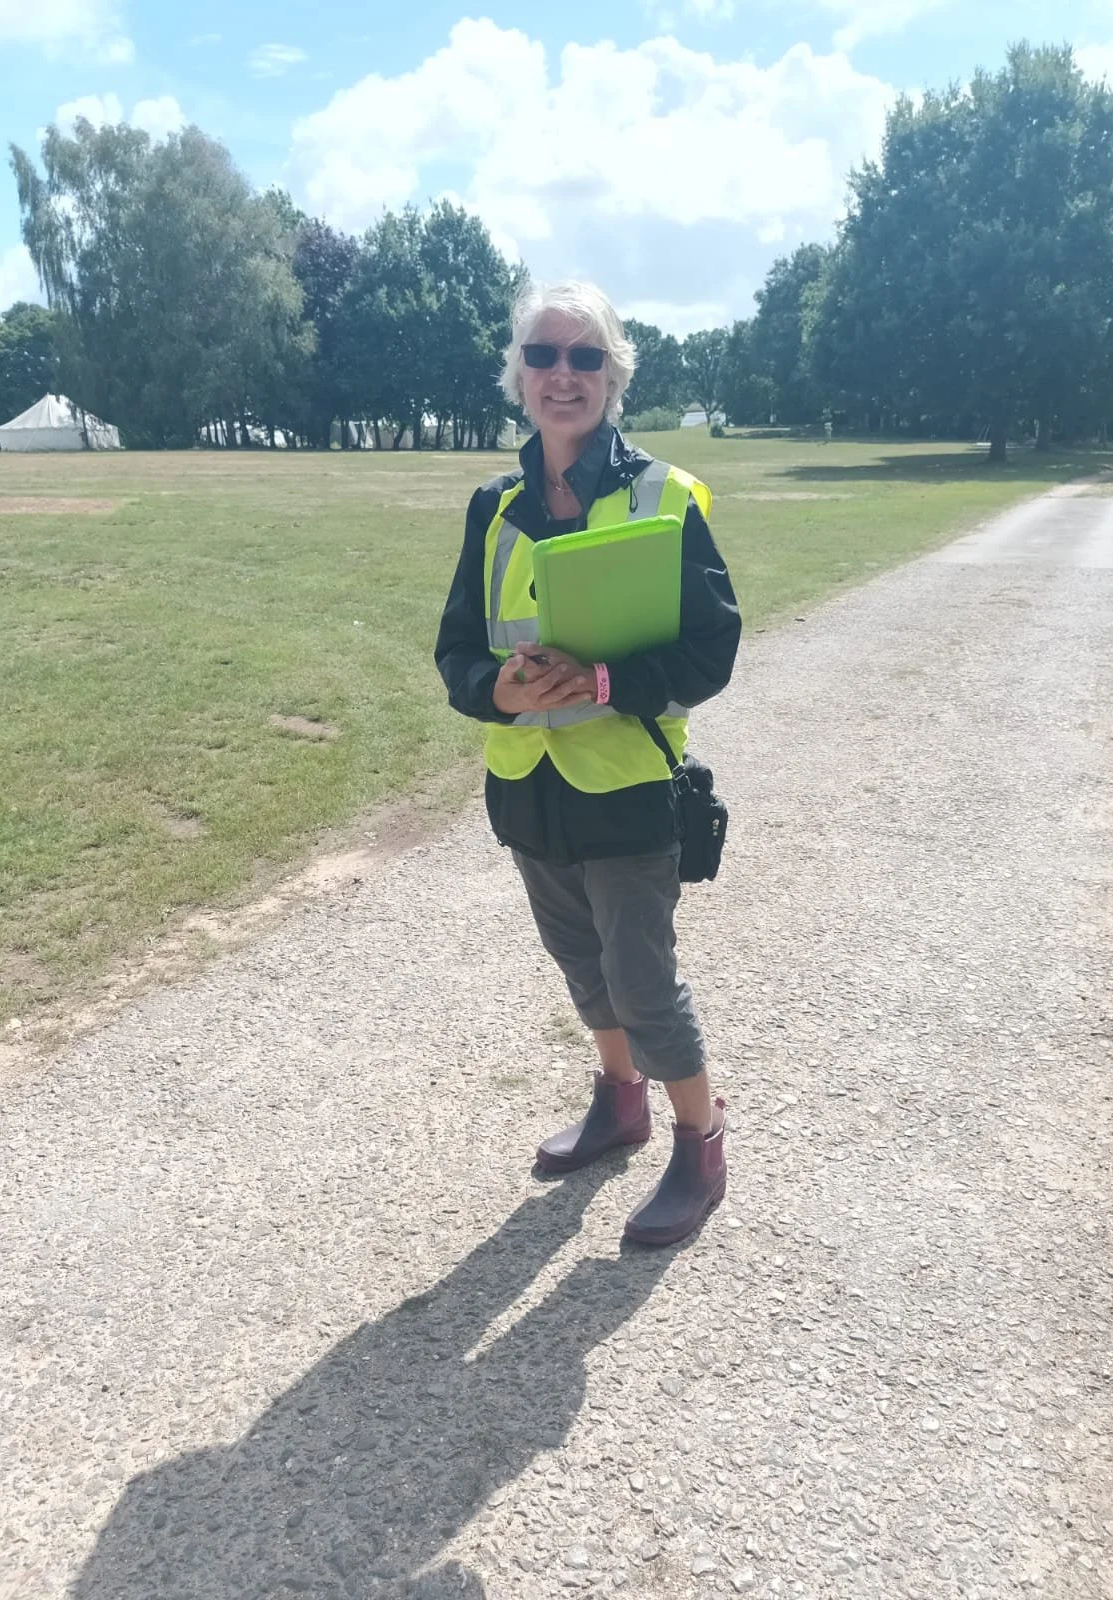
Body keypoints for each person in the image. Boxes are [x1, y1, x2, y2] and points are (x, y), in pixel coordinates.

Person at [434, 281, 741, 1246]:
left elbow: (710, 653)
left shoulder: (665, 495)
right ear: (517, 376)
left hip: (628, 789)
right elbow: (456, 652)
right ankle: (622, 1104)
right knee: (579, 963)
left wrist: (603, 683)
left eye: (584, 357)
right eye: (542, 355)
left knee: (643, 980)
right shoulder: (493, 506)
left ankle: (700, 1142)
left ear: (614, 374)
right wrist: (500, 692)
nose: (561, 374)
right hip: (527, 789)